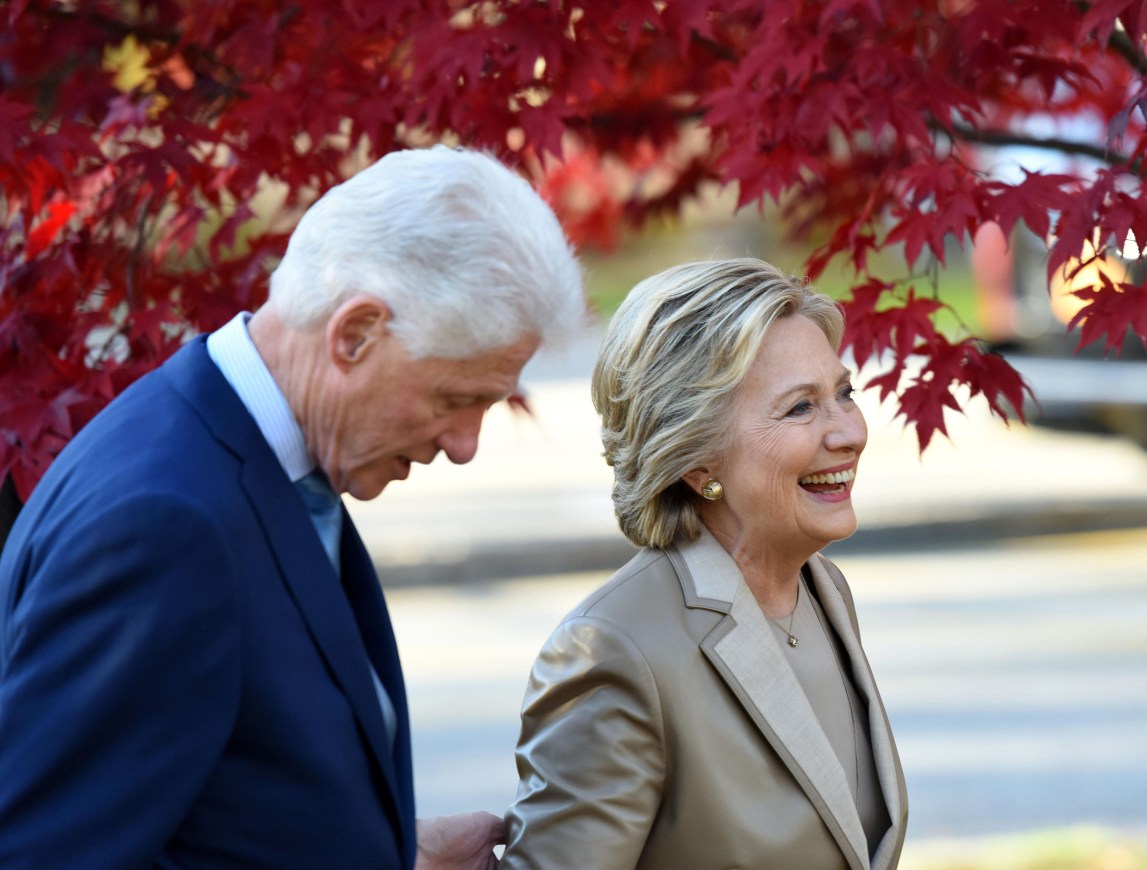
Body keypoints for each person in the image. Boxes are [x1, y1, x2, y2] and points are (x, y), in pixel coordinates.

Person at [0, 145, 584, 868]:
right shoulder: (165, 524)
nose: (465, 445)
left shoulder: (253, 460)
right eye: (455, 399)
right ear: (355, 333)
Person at [501, 258, 908, 869]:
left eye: (843, 394)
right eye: (801, 408)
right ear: (696, 459)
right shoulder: (614, 648)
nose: (849, 431)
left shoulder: (822, 587)